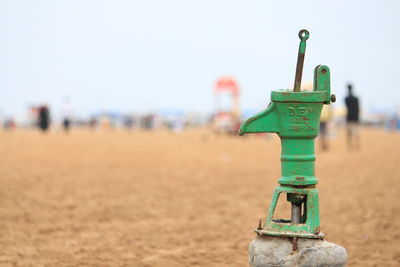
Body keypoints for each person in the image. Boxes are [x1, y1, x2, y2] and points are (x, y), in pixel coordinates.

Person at [344, 84, 360, 149]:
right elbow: (358, 108)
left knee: (349, 133)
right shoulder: (356, 98)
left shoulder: (346, 99)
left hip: (349, 117)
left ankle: (350, 146)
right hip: (355, 118)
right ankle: (357, 145)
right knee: (356, 132)